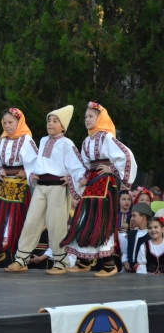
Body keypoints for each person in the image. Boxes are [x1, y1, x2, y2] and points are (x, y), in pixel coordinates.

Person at [4, 105, 87, 275]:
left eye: (55, 121)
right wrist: (32, 173)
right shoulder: (42, 141)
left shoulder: (67, 143)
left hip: (58, 187)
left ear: (63, 126)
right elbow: (37, 162)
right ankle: (21, 259)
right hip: (41, 186)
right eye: (49, 120)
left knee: (57, 226)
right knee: (31, 222)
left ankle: (61, 262)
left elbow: (77, 166)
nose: (50, 124)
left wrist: (70, 178)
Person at [61, 102, 136, 277]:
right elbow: (85, 164)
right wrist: (84, 178)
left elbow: (126, 155)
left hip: (105, 183)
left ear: (100, 118)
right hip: (92, 183)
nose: (87, 120)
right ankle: (84, 261)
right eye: (86, 117)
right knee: (85, 218)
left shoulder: (106, 137)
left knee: (103, 220)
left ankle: (109, 264)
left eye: (91, 116)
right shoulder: (87, 140)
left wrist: (113, 169)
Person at [0, 108, 38, 268]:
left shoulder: (26, 140)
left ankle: (21, 259)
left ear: (19, 122)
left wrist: (26, 172)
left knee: (18, 222)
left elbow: (35, 163)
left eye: (11, 122)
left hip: (19, 187)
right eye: (5, 122)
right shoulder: (1, 142)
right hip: (4, 187)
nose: (7, 125)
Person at [120, 203, 152, 273]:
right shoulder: (132, 233)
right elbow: (126, 252)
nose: (131, 219)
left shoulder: (150, 236)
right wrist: (125, 262)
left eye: (134, 216)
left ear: (143, 217)